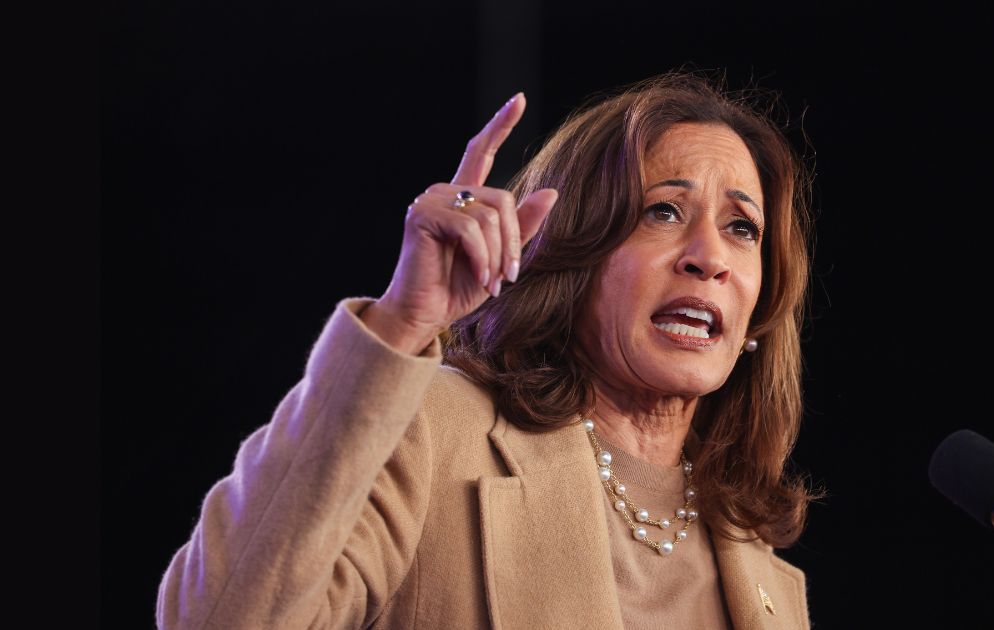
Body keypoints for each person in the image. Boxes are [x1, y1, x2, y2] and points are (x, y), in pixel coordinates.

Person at [156, 72, 819, 630]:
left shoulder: (764, 575)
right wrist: (403, 322)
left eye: (741, 228)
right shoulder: (438, 434)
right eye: (663, 212)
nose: (709, 257)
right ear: (572, 253)